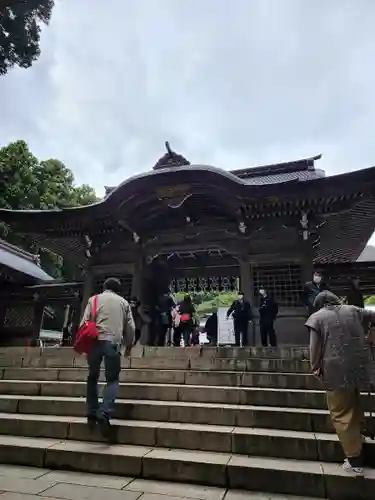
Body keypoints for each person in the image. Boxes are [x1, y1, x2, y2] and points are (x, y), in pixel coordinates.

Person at [305, 290, 375, 475]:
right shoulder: (354, 310)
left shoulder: (316, 317)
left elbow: (315, 346)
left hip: (335, 370)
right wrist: (371, 336)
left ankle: (354, 460)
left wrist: (315, 367)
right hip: (361, 366)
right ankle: (359, 442)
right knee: (355, 405)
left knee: (341, 412)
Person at [82, 277, 135, 440]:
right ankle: (104, 412)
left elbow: (85, 322)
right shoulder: (123, 303)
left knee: (92, 377)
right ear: (118, 290)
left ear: (104, 287)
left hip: (94, 342)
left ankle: (91, 412)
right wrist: (129, 344)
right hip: (113, 342)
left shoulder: (94, 299)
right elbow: (130, 327)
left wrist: (84, 345)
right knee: (112, 380)